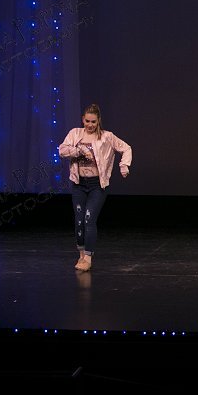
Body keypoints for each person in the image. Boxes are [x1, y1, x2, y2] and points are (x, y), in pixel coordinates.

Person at [58, 103, 132, 272]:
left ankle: (88, 258)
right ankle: (81, 254)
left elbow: (126, 148)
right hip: (79, 184)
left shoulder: (107, 137)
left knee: (89, 219)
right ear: (83, 120)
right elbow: (62, 150)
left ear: (99, 121)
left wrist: (124, 165)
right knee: (79, 220)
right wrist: (78, 151)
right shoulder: (75, 134)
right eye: (87, 121)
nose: (90, 125)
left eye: (93, 122)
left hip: (97, 185)